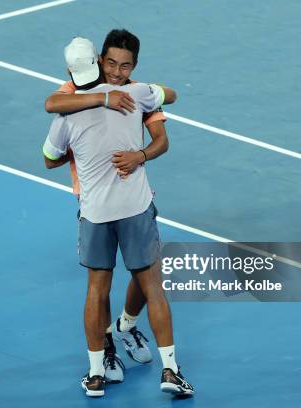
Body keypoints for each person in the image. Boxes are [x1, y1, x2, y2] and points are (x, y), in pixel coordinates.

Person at [42, 37, 194, 398]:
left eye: (125, 66)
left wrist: (138, 154)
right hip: (128, 207)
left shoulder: (69, 111)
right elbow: (170, 94)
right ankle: (169, 370)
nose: (117, 72)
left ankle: (100, 366)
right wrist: (110, 96)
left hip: (96, 212)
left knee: (103, 289)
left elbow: (49, 156)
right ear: (99, 61)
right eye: (111, 64)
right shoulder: (138, 94)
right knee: (150, 284)